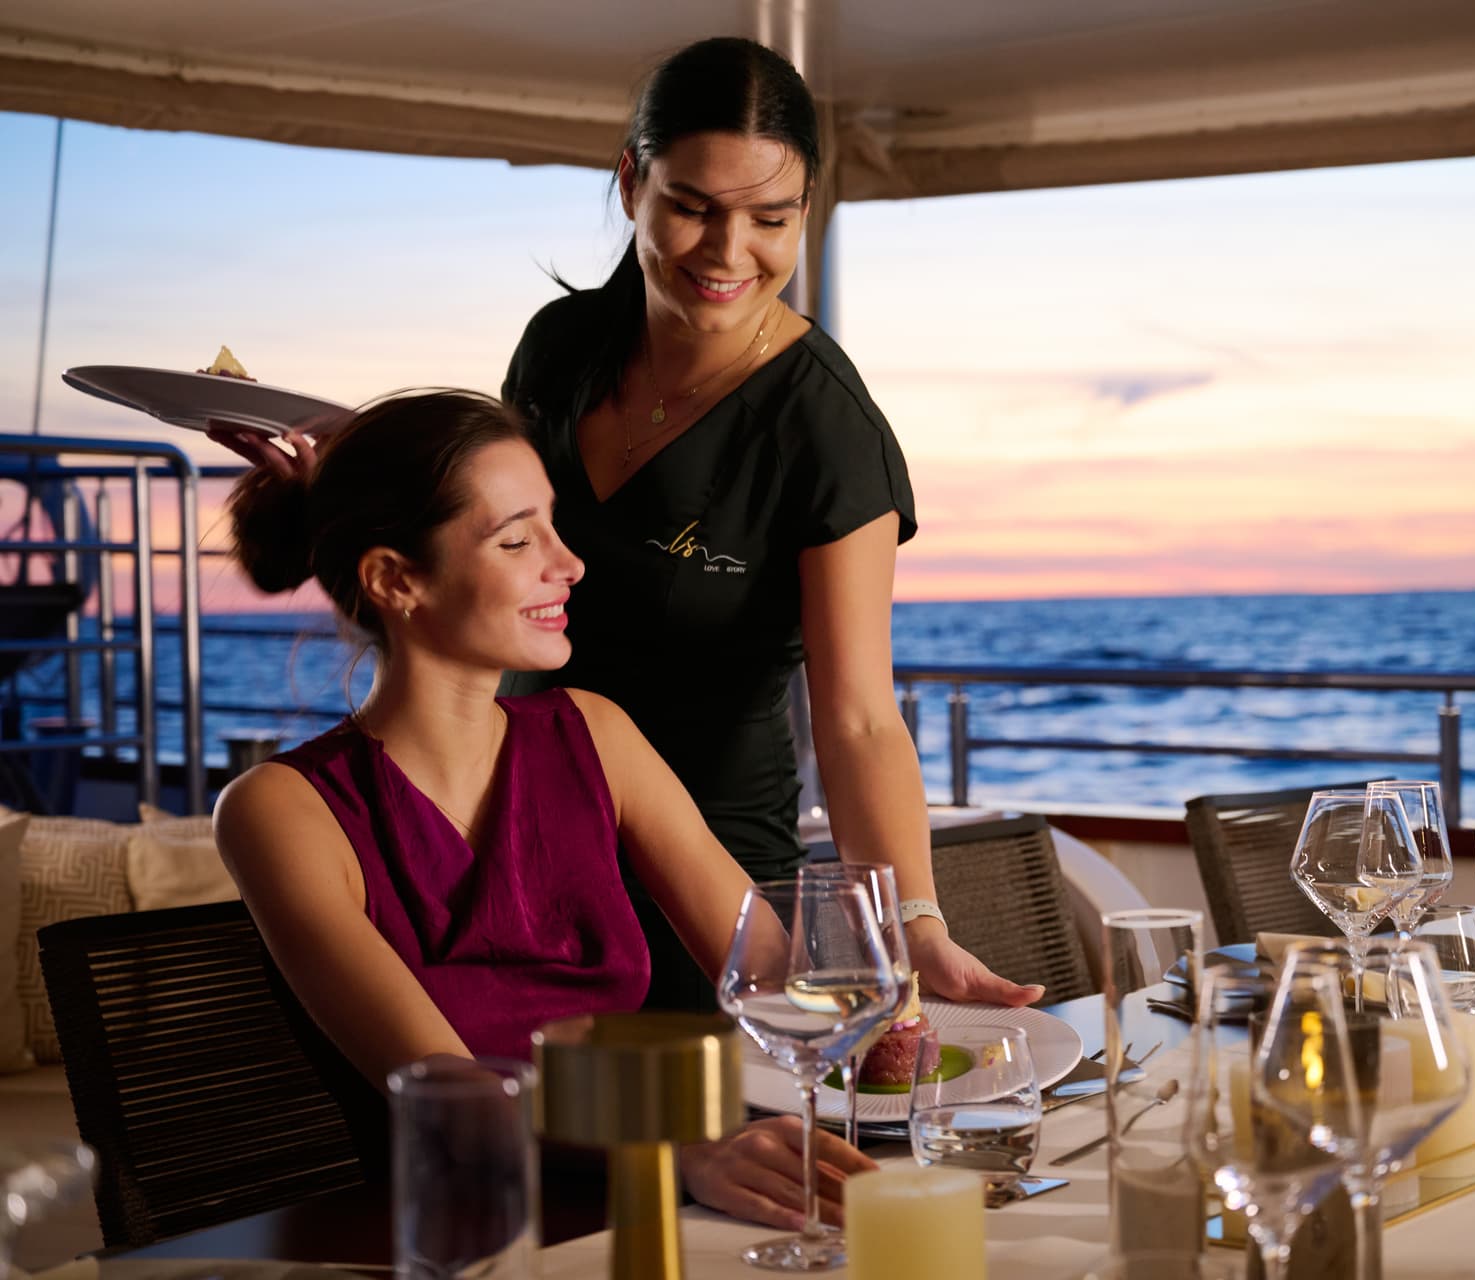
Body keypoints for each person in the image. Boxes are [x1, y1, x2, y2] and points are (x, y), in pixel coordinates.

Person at [219, 36, 1038, 1014]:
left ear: (806, 210)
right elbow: (477, 540)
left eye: (770, 218)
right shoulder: (561, 348)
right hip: (512, 828)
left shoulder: (825, 428)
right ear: (630, 184)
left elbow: (859, 718)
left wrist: (913, 923)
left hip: (705, 870)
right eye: (692, 207)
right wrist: (346, 482)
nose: (729, 252)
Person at [213, 389, 872, 1230]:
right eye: (518, 540)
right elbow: (449, 1095)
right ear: (395, 580)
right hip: (449, 1230)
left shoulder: (595, 734)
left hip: (643, 1201)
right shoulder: (280, 809)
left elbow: (770, 972)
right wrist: (679, 1149)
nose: (570, 564)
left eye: (553, 526)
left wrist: (890, 1019)